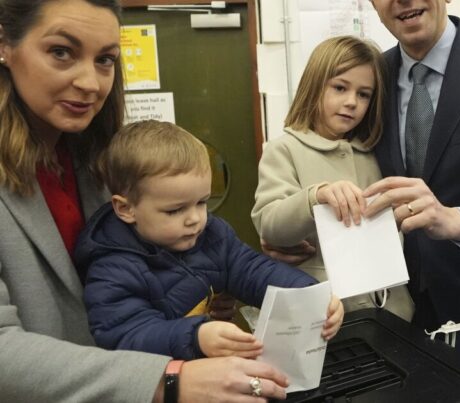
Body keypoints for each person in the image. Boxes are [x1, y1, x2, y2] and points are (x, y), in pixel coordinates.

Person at [264, 1, 460, 402]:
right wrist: (291, 231)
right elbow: (333, 164)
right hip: (392, 321)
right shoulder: (370, 79)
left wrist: (456, 220)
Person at [0, 0, 291, 401]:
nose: (90, 82)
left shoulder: (100, 161)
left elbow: (142, 282)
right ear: (4, 43)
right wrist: (169, 380)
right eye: (61, 52)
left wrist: (195, 312)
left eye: (105, 59)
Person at [80, 120, 343, 360]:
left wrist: (309, 294)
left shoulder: (211, 235)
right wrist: (195, 337)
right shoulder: (111, 268)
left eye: (202, 202)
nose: (195, 219)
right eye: (175, 210)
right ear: (125, 209)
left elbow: (253, 269)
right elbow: (126, 337)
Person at [252, 36, 412, 319]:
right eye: (340, 88)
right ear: (314, 86)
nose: (351, 102)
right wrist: (315, 196)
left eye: (364, 94)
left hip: (390, 313)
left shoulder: (375, 153)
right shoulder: (285, 149)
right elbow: (270, 226)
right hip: (323, 318)